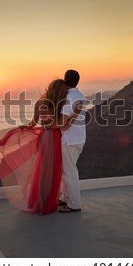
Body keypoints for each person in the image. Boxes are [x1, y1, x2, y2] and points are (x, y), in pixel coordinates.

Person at [0, 79, 76, 215]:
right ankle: (47, 201)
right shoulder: (58, 105)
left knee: (43, 169)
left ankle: (39, 200)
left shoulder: (40, 103)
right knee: (52, 170)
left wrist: (24, 128)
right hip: (55, 137)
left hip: (44, 137)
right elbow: (62, 125)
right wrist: (76, 113)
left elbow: (33, 122)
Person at [58, 70, 86, 213]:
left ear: (65, 80)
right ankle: (64, 198)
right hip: (79, 138)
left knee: (69, 172)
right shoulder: (80, 95)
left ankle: (74, 205)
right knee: (68, 170)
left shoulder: (69, 97)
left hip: (69, 139)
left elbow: (63, 123)